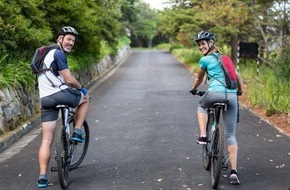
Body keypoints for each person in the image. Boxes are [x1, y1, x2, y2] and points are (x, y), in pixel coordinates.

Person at [37, 26, 90, 188]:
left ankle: (42, 177)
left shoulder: (45, 55)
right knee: (85, 98)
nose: (71, 43)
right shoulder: (58, 53)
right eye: (68, 39)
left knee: (46, 139)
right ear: (59, 39)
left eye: (73, 40)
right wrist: (81, 88)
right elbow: (68, 79)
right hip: (60, 94)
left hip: (45, 99)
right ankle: (78, 131)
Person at [190, 31, 243, 185]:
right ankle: (234, 172)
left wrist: (193, 89)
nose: (201, 47)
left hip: (214, 94)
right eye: (199, 44)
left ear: (211, 43)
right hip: (231, 96)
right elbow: (238, 77)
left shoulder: (205, 60)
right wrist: (239, 92)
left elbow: (198, 78)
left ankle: (203, 136)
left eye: (203, 44)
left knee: (201, 106)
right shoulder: (226, 58)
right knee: (230, 134)